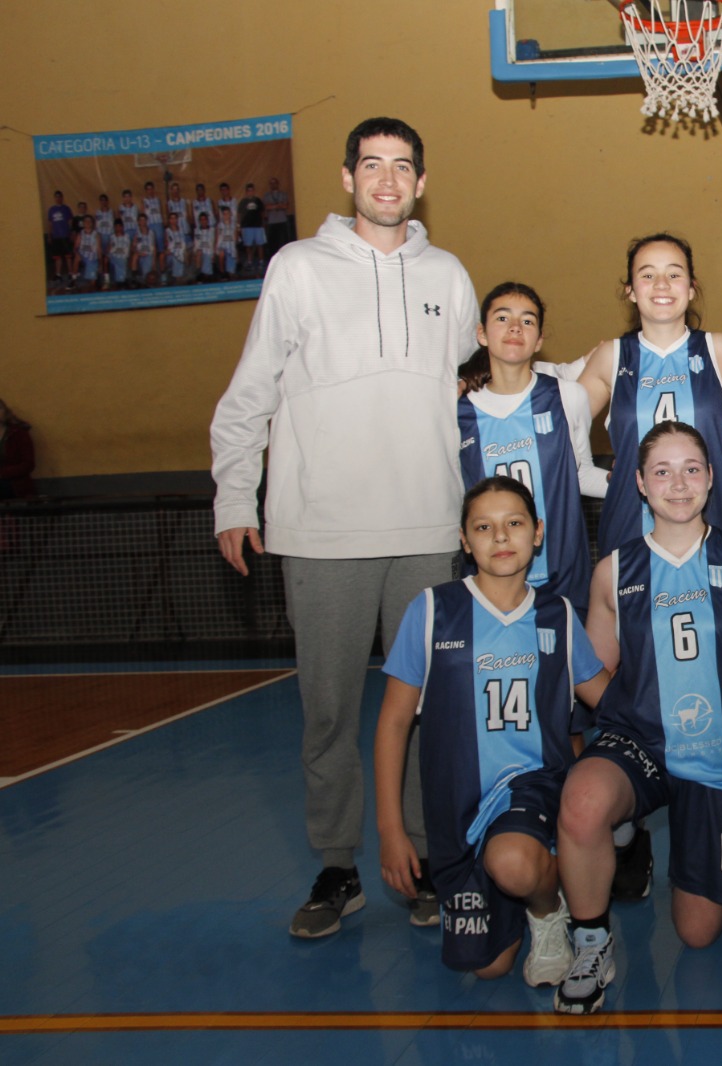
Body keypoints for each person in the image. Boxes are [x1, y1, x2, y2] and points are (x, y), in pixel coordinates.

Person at [210, 116, 478, 938]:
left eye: (402, 166)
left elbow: (476, 391)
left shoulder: (448, 275)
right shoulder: (297, 268)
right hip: (321, 534)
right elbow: (250, 393)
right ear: (347, 177)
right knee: (328, 711)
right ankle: (338, 866)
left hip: (428, 528)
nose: (387, 179)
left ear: (421, 182)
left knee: (428, 711)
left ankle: (423, 860)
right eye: (372, 165)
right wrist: (234, 497)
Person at [554, 421, 722, 1014]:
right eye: (662, 471)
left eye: (691, 469)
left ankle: (715, 849)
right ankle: (591, 941)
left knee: (696, 933)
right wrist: (636, 713)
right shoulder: (614, 571)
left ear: (711, 477)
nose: (678, 484)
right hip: (643, 746)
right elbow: (593, 672)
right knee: (582, 801)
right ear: (639, 483)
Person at [374, 476, 610, 985]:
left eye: (514, 523)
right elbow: (393, 723)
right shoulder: (432, 611)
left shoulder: (558, 615)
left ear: (538, 532)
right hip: (456, 802)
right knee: (488, 967)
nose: (500, 537)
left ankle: (547, 910)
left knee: (514, 863)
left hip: (533, 788)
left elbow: (608, 700)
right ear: (464, 540)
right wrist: (391, 830)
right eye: (484, 527)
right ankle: (526, 890)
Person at [576, 234, 722, 558]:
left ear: (691, 288)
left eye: (674, 274)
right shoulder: (611, 357)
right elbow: (557, 438)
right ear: (630, 290)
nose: (661, 284)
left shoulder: (719, 350)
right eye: (648, 274)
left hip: (713, 526)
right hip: (629, 531)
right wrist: (607, 480)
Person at [457, 282, 600, 609]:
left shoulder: (567, 396)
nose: (515, 328)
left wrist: (635, 479)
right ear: (481, 334)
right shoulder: (457, 411)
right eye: (502, 318)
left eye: (527, 320)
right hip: (486, 582)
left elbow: (580, 474)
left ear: (539, 340)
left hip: (563, 580)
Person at [0, 398, 36, 500]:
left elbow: (28, 464)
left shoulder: (18, 433)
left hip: (14, 484)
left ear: (5, 412)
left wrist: (3, 473)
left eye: (0, 408)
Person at [46, 191, 74, 284]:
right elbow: (50, 224)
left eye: (60, 197)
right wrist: (49, 235)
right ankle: (58, 274)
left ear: (62, 198)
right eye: (56, 197)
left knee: (68, 256)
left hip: (65, 235)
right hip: (56, 236)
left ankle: (70, 273)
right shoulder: (52, 209)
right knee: (57, 257)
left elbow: (70, 222)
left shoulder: (66, 208)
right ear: (54, 198)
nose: (58, 198)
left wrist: (71, 233)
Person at [239, 182, 266, 272]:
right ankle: (250, 261)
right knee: (248, 245)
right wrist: (240, 225)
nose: (250, 192)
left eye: (252, 190)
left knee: (260, 244)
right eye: (248, 191)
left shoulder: (258, 201)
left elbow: (262, 212)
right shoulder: (243, 202)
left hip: (258, 226)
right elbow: (240, 214)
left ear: (254, 191)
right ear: (246, 192)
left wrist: (263, 223)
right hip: (247, 226)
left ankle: (261, 261)